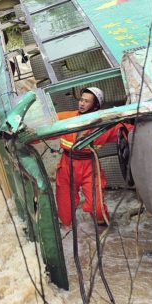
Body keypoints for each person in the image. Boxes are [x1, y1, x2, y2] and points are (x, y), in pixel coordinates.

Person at [52, 87, 130, 227]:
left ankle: (104, 233)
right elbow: (44, 123)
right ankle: (67, 236)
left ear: (95, 106)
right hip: (67, 166)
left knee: (98, 209)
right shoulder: (66, 118)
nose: (81, 103)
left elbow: (129, 131)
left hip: (90, 167)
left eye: (86, 101)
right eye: (81, 99)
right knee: (64, 215)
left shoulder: (105, 124)